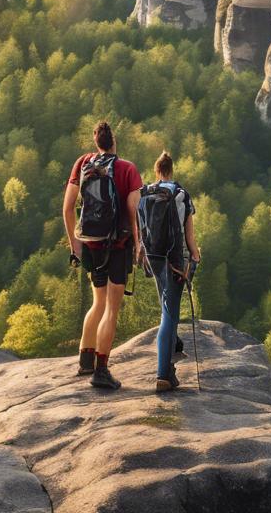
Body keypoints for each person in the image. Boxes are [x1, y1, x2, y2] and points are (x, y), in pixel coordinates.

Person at [63, 121, 143, 389]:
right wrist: (139, 244)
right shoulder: (127, 169)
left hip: (90, 243)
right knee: (112, 308)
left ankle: (85, 362)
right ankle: (101, 370)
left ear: (96, 141)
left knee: (98, 301)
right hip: (117, 246)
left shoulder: (83, 163)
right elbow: (134, 210)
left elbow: (68, 207)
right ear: (114, 141)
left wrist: (75, 246)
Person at [141, 151, 200, 392]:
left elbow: (141, 228)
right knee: (169, 313)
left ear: (156, 170)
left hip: (153, 257)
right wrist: (195, 255)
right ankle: (163, 374)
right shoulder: (181, 194)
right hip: (174, 259)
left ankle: (173, 349)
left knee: (166, 303)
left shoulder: (145, 193)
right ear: (171, 170)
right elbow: (189, 235)